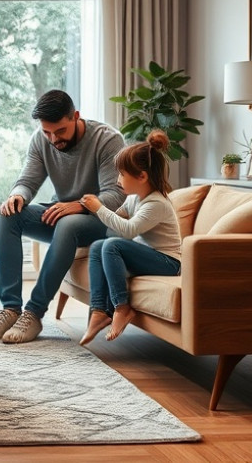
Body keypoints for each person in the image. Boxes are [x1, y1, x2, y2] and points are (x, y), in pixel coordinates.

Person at [0, 89, 126, 344]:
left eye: (59, 131)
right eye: (47, 132)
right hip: (66, 214)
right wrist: (18, 195)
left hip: (102, 219)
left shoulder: (107, 140)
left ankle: (34, 313)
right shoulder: (41, 139)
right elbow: (27, 180)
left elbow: (116, 195)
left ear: (76, 117)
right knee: (8, 215)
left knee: (69, 223)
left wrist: (80, 205)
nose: (53, 138)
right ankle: (11, 309)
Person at [78, 130, 181, 345]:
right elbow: (117, 219)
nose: (118, 180)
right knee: (99, 246)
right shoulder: (135, 198)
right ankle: (99, 310)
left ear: (142, 176)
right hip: (149, 256)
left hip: (168, 262)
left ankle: (122, 307)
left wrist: (99, 209)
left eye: (122, 174)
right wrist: (91, 212)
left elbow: (127, 230)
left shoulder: (156, 204)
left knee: (112, 245)